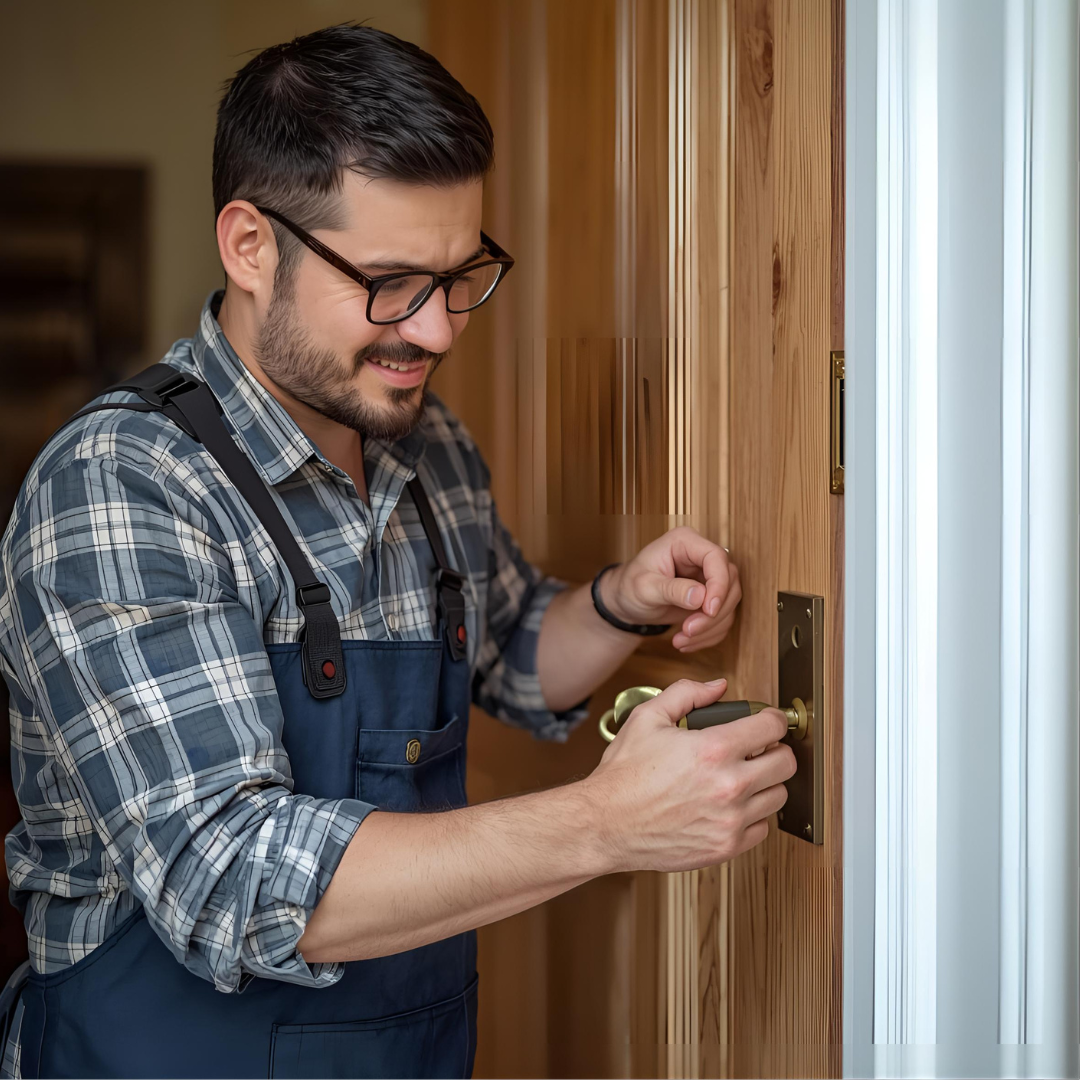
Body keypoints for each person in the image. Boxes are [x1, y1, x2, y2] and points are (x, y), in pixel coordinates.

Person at [0, 24, 796, 1080]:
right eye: (389, 282)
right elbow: (229, 881)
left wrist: (618, 603)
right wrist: (607, 822)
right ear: (249, 245)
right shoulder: (121, 483)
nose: (436, 332)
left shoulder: (429, 447)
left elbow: (509, 651)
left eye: (460, 276)